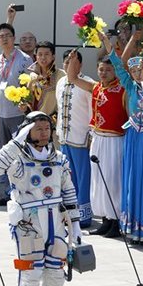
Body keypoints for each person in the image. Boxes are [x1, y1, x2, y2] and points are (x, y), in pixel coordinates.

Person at [0, 111, 81, 286]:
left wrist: (76, 225)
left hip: (55, 223)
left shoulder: (58, 158)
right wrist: (16, 142)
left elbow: (69, 192)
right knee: (31, 275)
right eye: (38, 129)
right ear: (27, 132)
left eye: (47, 128)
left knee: (56, 274)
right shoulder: (18, 159)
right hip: (29, 224)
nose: (44, 133)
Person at [67, 48, 128, 238]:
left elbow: (123, 64)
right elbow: (72, 79)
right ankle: (105, 220)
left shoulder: (123, 88)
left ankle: (116, 221)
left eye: (108, 70)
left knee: (113, 181)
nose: (103, 73)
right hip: (98, 139)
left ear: (116, 71)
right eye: (101, 69)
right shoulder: (96, 87)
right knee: (99, 181)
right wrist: (72, 60)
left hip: (115, 140)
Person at [103, 31, 143, 244]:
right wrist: (108, 43)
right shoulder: (131, 87)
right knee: (133, 180)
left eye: (142, 69)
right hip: (134, 138)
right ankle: (134, 228)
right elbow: (118, 66)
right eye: (135, 70)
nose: (137, 73)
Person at [0, 22, 34, 206]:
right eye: (1, 36)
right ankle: (8, 191)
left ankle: (22, 191)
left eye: (8, 35)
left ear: (14, 38)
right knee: (6, 155)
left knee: (19, 155)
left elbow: (32, 88)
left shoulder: (24, 59)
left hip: (18, 115)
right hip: (2, 115)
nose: (4, 39)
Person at [55, 49, 95, 228]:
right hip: (64, 139)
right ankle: (70, 213)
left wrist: (91, 135)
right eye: (66, 62)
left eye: (72, 62)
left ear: (80, 64)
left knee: (83, 177)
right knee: (68, 178)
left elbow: (93, 112)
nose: (68, 65)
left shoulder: (87, 84)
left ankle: (84, 216)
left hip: (81, 138)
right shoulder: (61, 82)